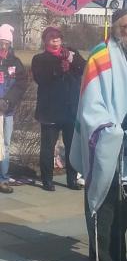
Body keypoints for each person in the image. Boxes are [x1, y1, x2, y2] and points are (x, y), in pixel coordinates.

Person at [69, 8, 127, 261]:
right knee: (103, 206)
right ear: (116, 28)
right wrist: (109, 130)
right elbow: (90, 104)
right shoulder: (100, 55)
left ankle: (119, 256)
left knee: (125, 205)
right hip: (108, 142)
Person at [31, 26, 86, 191]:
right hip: (50, 111)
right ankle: (47, 179)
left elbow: (85, 67)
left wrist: (71, 59)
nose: (55, 40)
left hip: (70, 109)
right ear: (45, 40)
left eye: (57, 37)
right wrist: (57, 70)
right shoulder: (39, 58)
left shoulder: (72, 53)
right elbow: (40, 78)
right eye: (51, 37)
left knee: (71, 147)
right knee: (48, 147)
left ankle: (72, 179)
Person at [0, 24, 27, 194]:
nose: (3, 46)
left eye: (6, 43)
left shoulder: (15, 63)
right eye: (0, 42)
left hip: (6, 112)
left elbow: (21, 83)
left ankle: (2, 178)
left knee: (5, 145)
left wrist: (7, 101)